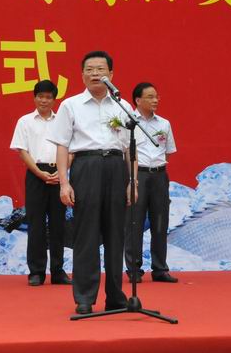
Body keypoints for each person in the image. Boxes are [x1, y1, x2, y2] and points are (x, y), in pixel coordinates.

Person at [50, 50, 131, 315]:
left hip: (116, 166)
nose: (95, 74)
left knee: (116, 234)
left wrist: (132, 181)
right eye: (90, 69)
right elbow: (62, 146)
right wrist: (64, 183)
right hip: (86, 166)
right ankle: (84, 297)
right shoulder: (70, 105)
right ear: (82, 74)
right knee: (86, 234)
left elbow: (130, 149)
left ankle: (116, 295)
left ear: (111, 74)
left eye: (101, 69)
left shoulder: (122, 106)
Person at [10, 79, 70, 286]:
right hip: (36, 174)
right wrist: (39, 173)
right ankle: (36, 271)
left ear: (54, 100)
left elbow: (71, 149)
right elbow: (22, 151)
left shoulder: (63, 121)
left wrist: (62, 171)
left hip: (59, 173)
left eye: (48, 97)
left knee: (58, 223)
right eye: (40, 96)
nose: (44, 101)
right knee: (35, 224)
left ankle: (58, 270)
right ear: (34, 98)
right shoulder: (25, 121)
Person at [125, 82, 179, 283]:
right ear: (138, 100)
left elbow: (167, 151)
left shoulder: (164, 123)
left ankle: (160, 268)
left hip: (159, 175)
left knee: (160, 221)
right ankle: (134, 269)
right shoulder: (128, 122)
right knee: (134, 222)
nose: (155, 100)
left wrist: (157, 169)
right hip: (137, 174)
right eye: (150, 97)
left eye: (157, 96)